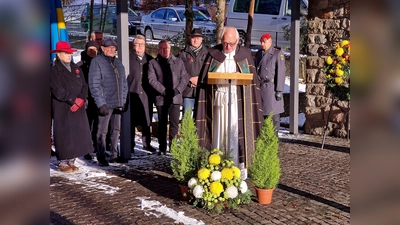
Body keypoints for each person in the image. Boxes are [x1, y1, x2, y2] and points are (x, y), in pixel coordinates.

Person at [194, 27, 264, 178]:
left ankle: (238, 167)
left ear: (238, 41)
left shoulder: (245, 55)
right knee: (218, 132)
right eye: (225, 43)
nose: (227, 47)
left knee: (235, 132)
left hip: (237, 103)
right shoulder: (213, 54)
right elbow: (204, 80)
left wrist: (242, 75)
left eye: (231, 44)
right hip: (218, 102)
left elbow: (252, 83)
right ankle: (216, 164)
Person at [50, 41, 93, 172]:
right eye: (66, 53)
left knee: (76, 133)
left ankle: (72, 160)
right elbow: (57, 90)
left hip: (77, 107)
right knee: (64, 133)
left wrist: (81, 99)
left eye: (70, 53)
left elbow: (84, 85)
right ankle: (63, 161)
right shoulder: (53, 71)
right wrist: (72, 100)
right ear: (59, 54)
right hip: (63, 107)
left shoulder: (76, 68)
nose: (69, 55)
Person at [89, 38, 128, 166]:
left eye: (113, 48)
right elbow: (94, 84)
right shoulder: (97, 62)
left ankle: (114, 155)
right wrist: (101, 103)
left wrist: (123, 100)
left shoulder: (118, 63)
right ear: (103, 49)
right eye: (109, 47)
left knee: (116, 130)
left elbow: (124, 83)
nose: (111, 50)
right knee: (102, 130)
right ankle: (101, 156)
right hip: (105, 103)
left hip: (117, 103)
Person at [148, 40, 189, 155]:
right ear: (158, 50)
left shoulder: (179, 62)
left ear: (170, 49)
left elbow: (184, 78)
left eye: (166, 48)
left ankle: (173, 147)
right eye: (161, 48)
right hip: (161, 98)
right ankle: (162, 147)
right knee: (162, 124)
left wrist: (177, 90)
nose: (164, 50)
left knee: (174, 124)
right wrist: (164, 91)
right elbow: (152, 80)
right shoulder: (153, 63)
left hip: (175, 98)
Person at [127, 35, 156, 153]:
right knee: (131, 121)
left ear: (145, 46)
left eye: (142, 44)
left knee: (146, 120)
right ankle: (130, 144)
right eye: (137, 44)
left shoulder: (150, 60)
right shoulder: (128, 58)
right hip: (132, 93)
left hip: (146, 94)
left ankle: (146, 143)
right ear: (133, 46)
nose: (140, 46)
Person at [254, 33, 286, 136]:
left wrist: (279, 90)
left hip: (271, 89)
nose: (262, 44)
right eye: (261, 42)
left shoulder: (277, 54)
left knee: (273, 116)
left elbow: (281, 73)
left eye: (264, 42)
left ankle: (273, 140)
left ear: (270, 41)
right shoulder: (259, 54)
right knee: (262, 116)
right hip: (261, 87)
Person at [177, 28, 208, 116]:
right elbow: (178, 70)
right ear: (190, 38)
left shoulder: (207, 54)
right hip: (188, 91)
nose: (195, 40)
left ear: (202, 39)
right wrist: (189, 79)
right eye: (193, 37)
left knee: (200, 118)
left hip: (202, 90)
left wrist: (199, 79)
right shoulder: (182, 53)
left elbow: (210, 70)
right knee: (187, 118)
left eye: (198, 38)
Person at [78, 41, 99, 160]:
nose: (92, 51)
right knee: (87, 125)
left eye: (95, 49)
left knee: (98, 125)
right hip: (86, 99)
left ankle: (97, 146)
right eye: (90, 49)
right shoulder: (81, 65)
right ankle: (87, 149)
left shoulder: (101, 63)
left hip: (98, 99)